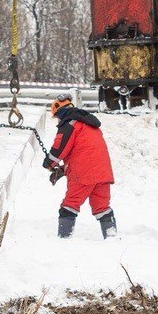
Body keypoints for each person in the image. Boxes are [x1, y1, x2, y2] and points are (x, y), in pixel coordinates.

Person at [43, 94, 116, 239]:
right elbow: (84, 154)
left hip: (84, 175)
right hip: (102, 173)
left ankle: (63, 239)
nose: (57, 120)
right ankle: (111, 237)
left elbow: (60, 148)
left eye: (56, 117)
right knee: (102, 207)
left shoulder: (70, 124)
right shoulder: (89, 124)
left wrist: (49, 163)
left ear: (60, 112)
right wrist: (63, 170)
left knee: (69, 206)